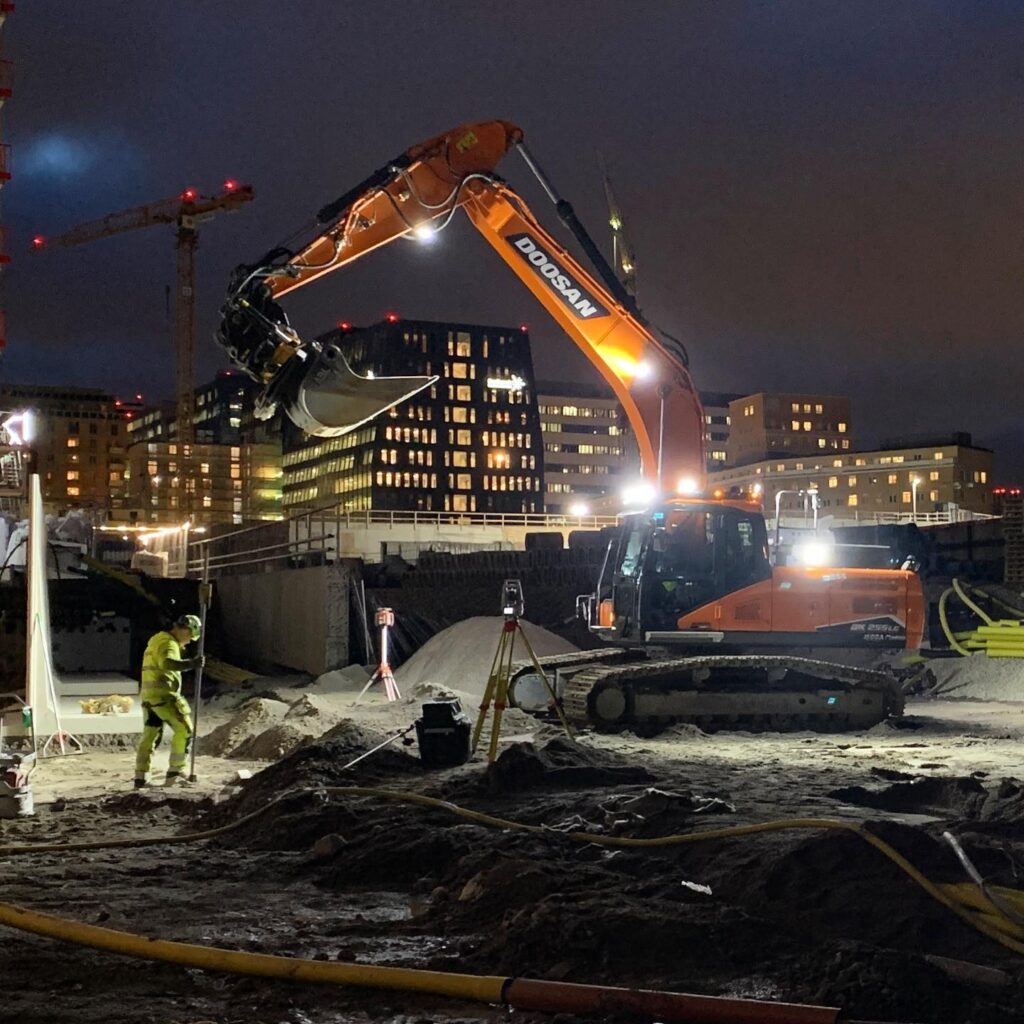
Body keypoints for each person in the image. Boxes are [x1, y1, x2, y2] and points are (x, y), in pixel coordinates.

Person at [134, 614, 204, 788]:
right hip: (164, 695)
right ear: (185, 630)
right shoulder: (168, 643)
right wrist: (192, 664)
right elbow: (167, 664)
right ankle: (176, 772)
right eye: (190, 637)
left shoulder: (156, 639)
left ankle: (141, 776)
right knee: (185, 729)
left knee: (151, 735)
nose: (188, 642)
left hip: (149, 696)